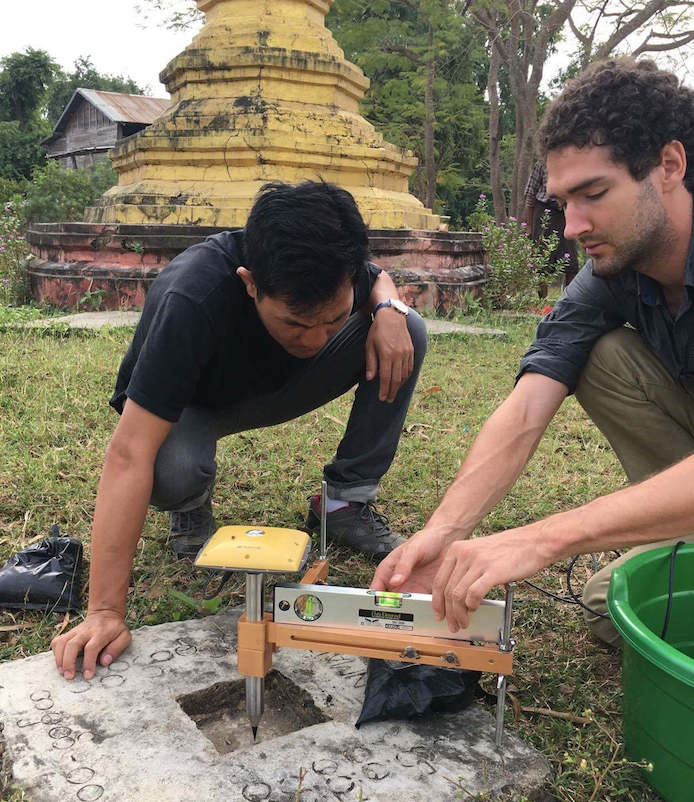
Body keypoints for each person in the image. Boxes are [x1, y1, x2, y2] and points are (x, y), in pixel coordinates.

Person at [372, 58, 694, 648]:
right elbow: (526, 408)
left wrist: (543, 538)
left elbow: (546, 539)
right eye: (563, 201)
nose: (571, 226)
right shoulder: (611, 271)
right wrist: (446, 529)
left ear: (669, 166)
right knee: (614, 612)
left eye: (593, 193)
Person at [52, 180, 427, 680]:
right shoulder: (191, 295)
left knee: (408, 330)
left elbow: (375, 276)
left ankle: (343, 504)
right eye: (296, 323)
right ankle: (188, 511)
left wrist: (386, 308)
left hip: (279, 387)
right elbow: (128, 455)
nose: (316, 339)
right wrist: (104, 612)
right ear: (251, 283)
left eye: (332, 320)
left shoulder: (335, 267)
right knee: (171, 467)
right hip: (193, 407)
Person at [523, 160, 580, 297]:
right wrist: (529, 226)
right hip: (545, 213)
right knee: (542, 263)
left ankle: (570, 301)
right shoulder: (542, 163)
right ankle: (542, 303)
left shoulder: (574, 162)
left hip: (566, 214)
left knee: (571, 263)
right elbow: (530, 194)